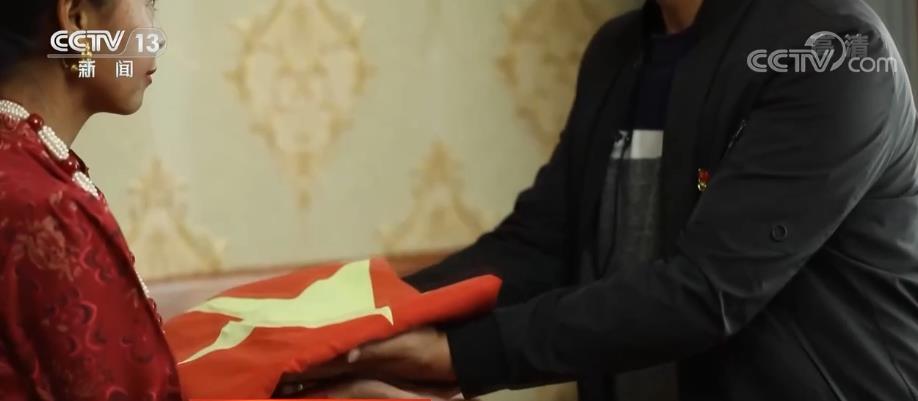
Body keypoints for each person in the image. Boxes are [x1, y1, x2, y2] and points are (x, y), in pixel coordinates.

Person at [298, 0, 918, 400]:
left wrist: (458, 357)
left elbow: (708, 291)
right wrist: (373, 321)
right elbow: (538, 247)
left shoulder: (835, 49)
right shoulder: (618, 50)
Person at [0, 1, 179, 400]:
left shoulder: (23, 168)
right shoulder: (46, 213)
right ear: (78, 21)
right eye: (147, 3)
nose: (155, 37)